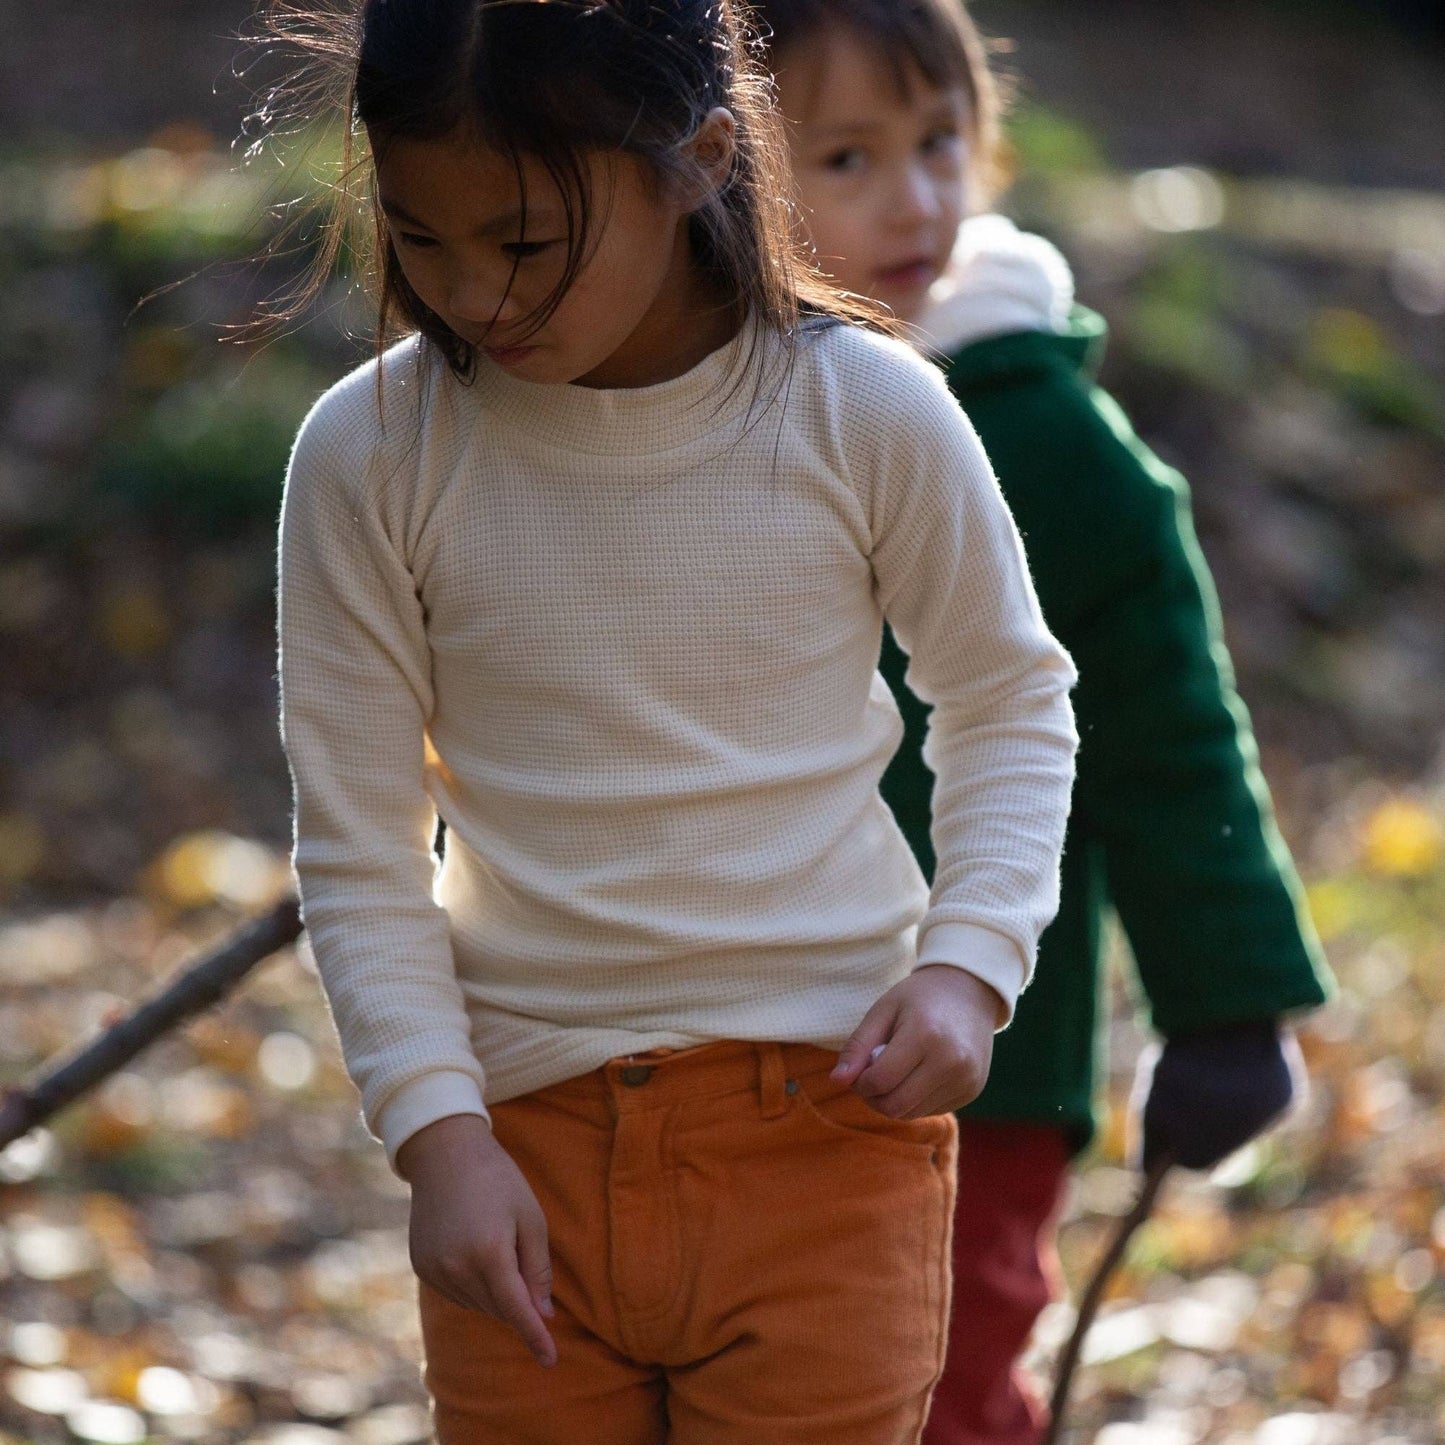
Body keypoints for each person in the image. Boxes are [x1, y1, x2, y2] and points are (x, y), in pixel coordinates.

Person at [266, 0, 1079, 1439]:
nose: (467, 291)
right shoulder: (366, 455)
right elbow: (357, 839)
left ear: (699, 160)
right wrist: (438, 1134)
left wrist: (969, 964)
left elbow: (1009, 696)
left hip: (831, 1128)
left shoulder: (867, 410)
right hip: (516, 1147)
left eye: (521, 241)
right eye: (419, 234)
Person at [752, 2, 1334, 1441]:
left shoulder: (1045, 438)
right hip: (723, 1017)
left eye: (941, 142)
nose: (917, 198)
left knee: (942, 1365)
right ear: (730, 171)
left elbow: (1165, 729)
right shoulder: (695, 409)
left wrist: (1224, 1004)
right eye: (846, 156)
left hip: (977, 1043)